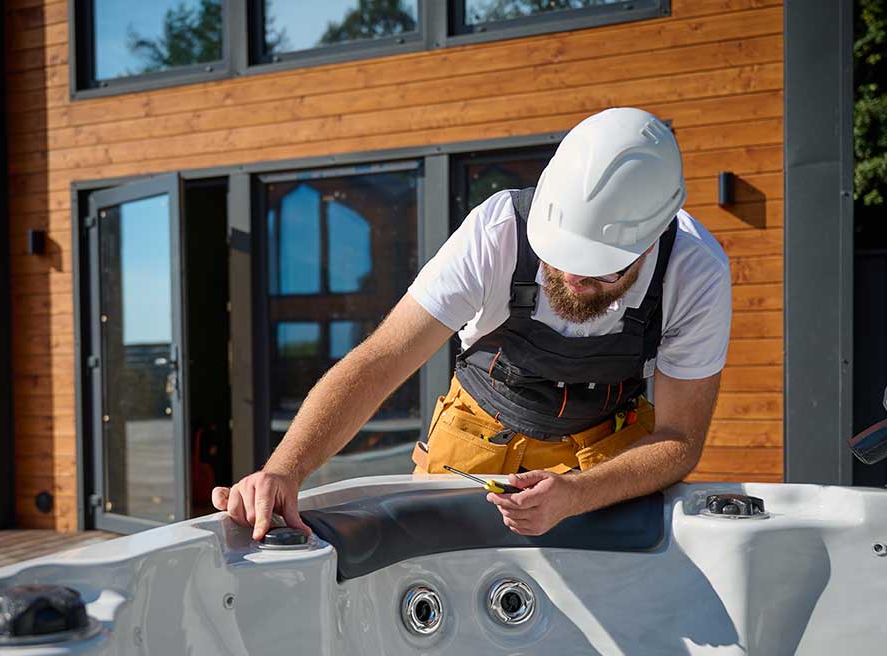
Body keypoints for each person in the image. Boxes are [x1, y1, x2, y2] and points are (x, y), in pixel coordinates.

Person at [213, 107, 732, 539]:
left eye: (598, 271)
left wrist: (577, 492)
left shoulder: (694, 271)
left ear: (651, 239)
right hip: (473, 438)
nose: (572, 278)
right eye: (558, 258)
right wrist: (285, 467)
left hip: (608, 455)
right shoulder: (499, 230)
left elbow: (679, 437)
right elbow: (381, 360)